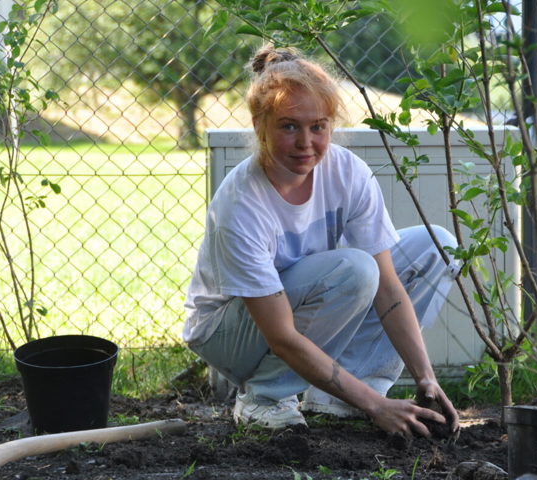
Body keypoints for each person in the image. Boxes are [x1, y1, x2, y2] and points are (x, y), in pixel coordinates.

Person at [183, 45, 461, 438]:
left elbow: (389, 286)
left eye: (318, 126)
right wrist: (376, 406)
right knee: (354, 269)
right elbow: (280, 336)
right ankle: (265, 397)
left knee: (436, 246)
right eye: (289, 126)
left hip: (298, 306)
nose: (305, 143)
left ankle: (338, 394)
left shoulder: (348, 173)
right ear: (260, 123)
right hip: (228, 331)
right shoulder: (240, 203)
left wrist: (426, 376)